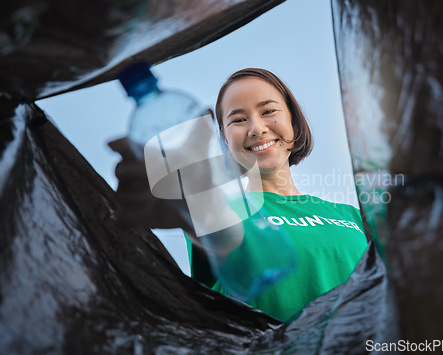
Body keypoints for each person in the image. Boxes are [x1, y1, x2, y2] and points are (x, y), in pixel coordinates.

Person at [110, 68, 368, 322]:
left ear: (293, 120)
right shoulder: (221, 208)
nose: (256, 129)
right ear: (222, 139)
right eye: (238, 120)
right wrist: (200, 204)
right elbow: (224, 235)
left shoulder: (353, 216)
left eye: (268, 111)